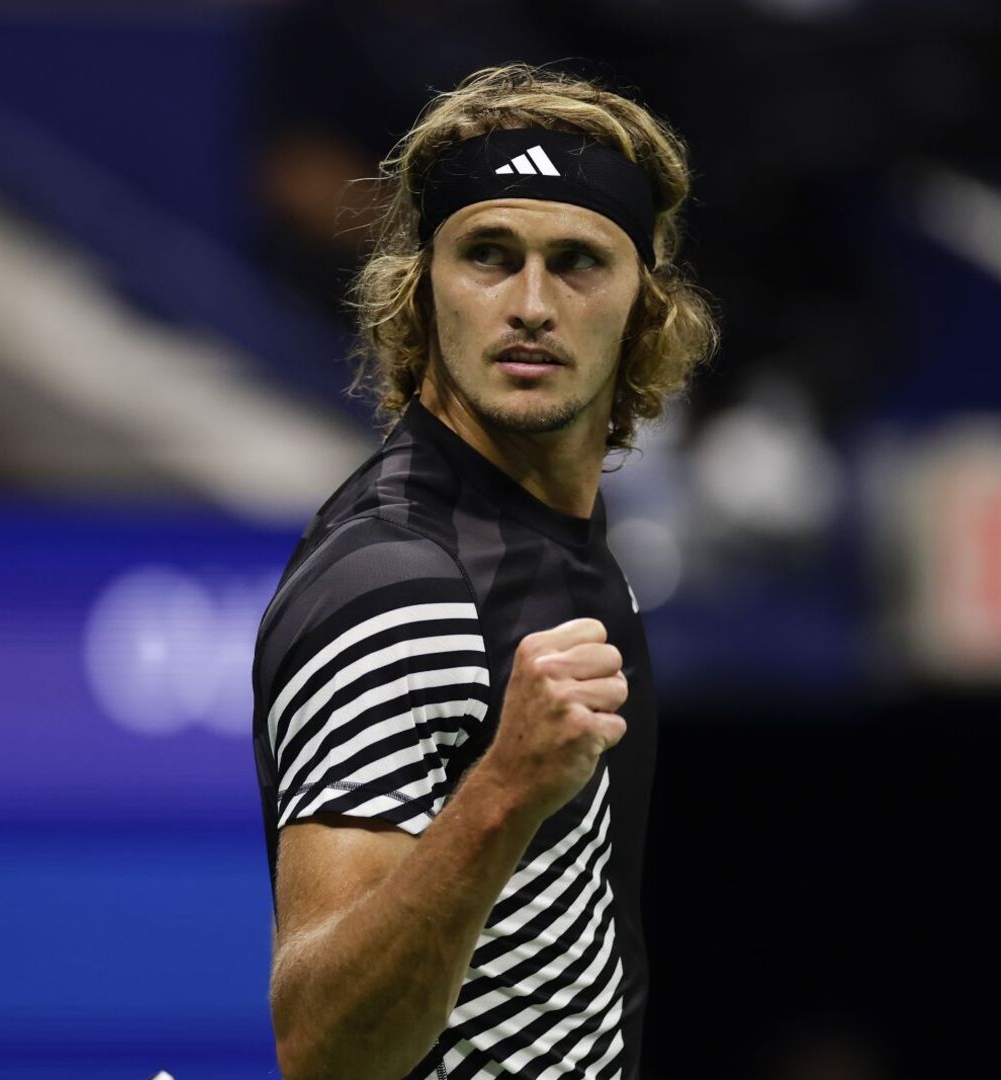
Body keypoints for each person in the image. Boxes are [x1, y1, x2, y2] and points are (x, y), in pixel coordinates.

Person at [251, 64, 718, 1079]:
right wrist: (504, 789)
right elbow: (322, 1046)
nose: (531, 305)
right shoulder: (395, 584)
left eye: (578, 261)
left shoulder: (564, 542)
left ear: (644, 305)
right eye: (488, 256)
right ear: (421, 290)